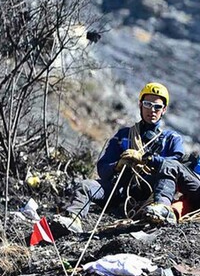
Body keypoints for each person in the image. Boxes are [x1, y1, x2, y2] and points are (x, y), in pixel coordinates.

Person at [63, 82, 192, 228]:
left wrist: (148, 159)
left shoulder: (171, 139)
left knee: (167, 171)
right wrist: (118, 165)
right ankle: (73, 219)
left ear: (164, 110)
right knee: (85, 186)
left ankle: (161, 210)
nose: (152, 110)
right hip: (120, 189)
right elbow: (103, 168)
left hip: (151, 192)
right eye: (148, 104)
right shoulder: (124, 135)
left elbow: (175, 164)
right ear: (140, 105)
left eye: (157, 107)